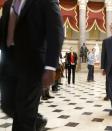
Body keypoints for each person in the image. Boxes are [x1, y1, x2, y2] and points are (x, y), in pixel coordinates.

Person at [0, 0, 64, 130]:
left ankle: (30, 120)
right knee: (7, 105)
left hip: (32, 66)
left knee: (23, 115)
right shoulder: (8, 4)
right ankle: (35, 121)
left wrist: (51, 66)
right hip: (8, 64)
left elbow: (56, 32)